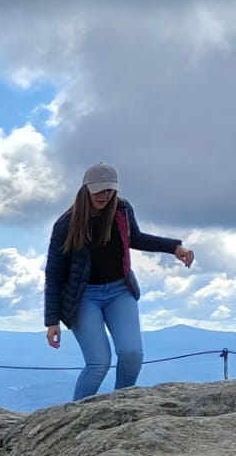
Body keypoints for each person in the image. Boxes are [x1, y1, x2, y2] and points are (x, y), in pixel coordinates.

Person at [43, 163, 194, 400]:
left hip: (120, 291)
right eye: (98, 190)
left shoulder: (122, 210)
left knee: (132, 354)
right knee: (98, 363)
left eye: (109, 190)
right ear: (86, 189)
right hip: (83, 298)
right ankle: (75, 414)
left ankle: (120, 406)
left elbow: (136, 238)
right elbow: (54, 273)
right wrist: (52, 321)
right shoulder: (66, 225)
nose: (104, 196)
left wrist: (174, 248)